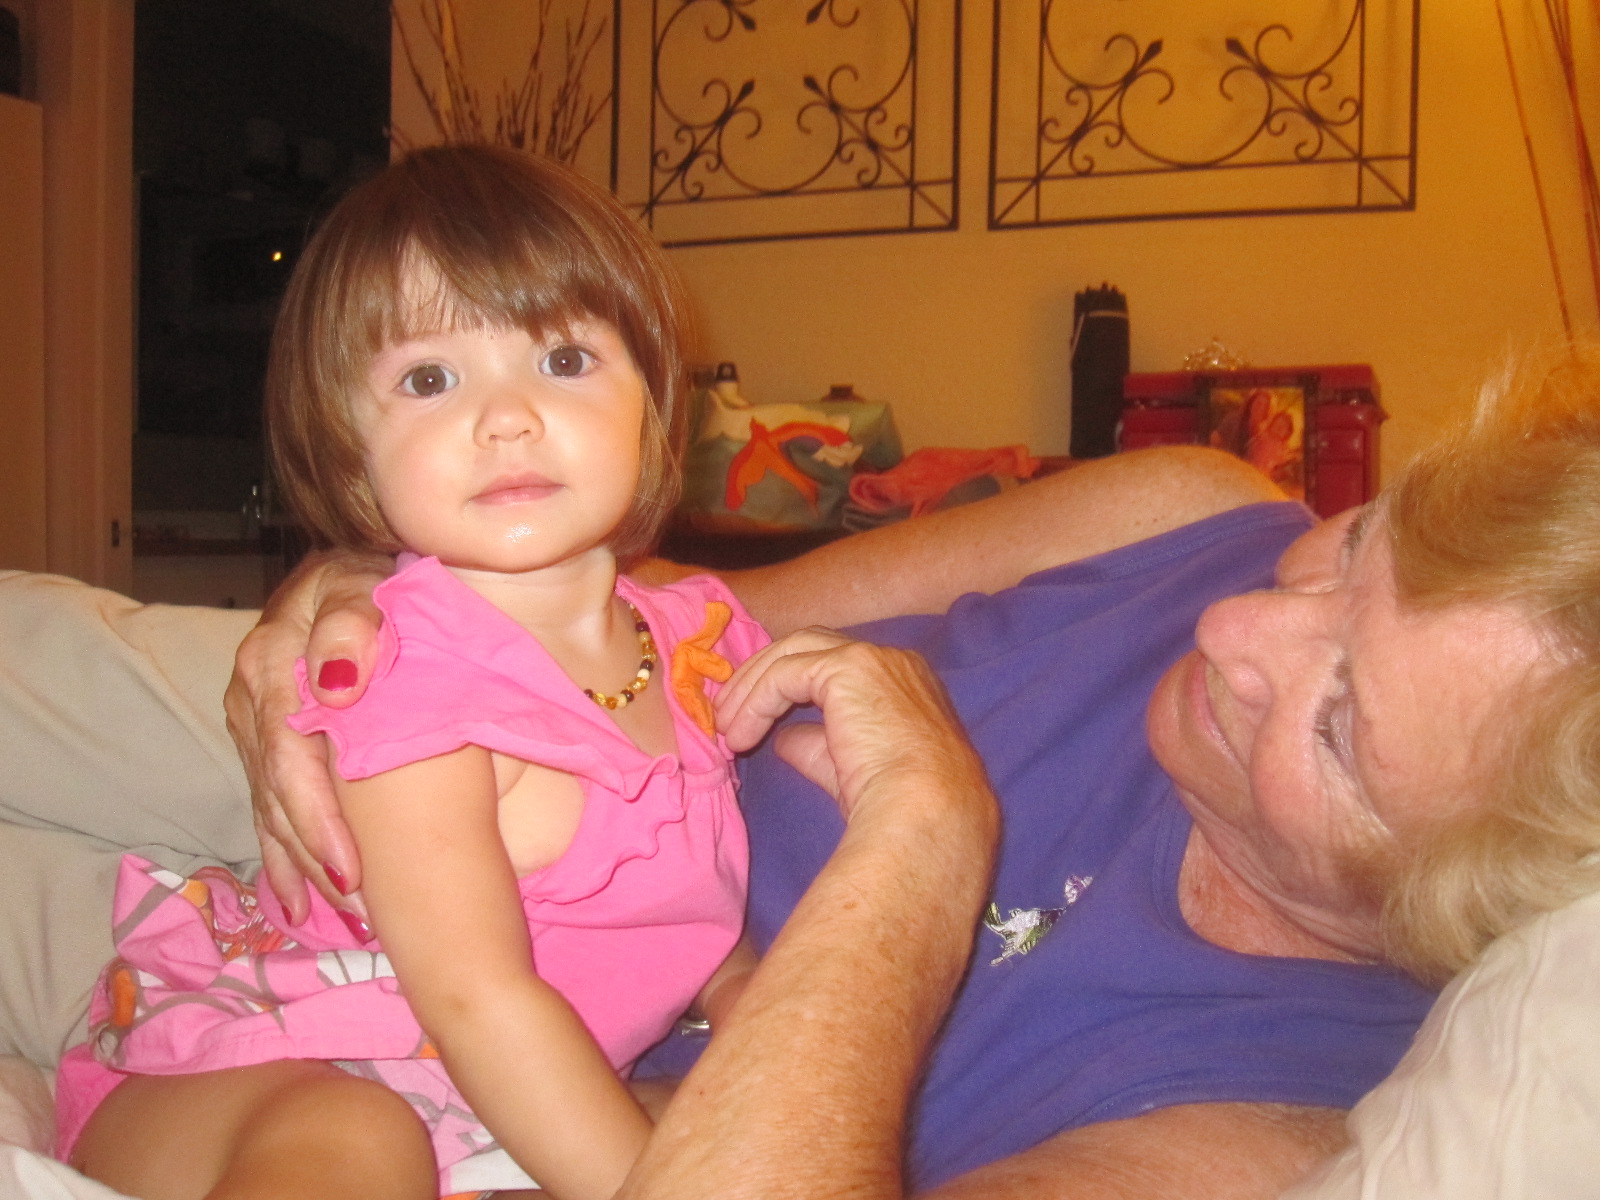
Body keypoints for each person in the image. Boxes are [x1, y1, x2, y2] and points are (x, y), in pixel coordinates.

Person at [4, 351, 1599, 1198]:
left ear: (1440, 899)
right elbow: (679, 613)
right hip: (444, 753)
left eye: (1337, 727)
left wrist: (924, 836)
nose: (1240, 623)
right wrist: (358, 586)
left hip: (446, 1063)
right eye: (1354, 548)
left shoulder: (1280, 1118)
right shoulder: (1189, 511)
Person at [54, 144, 771, 1200]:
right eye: (430, 380)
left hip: (499, 1093)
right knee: (355, 1137)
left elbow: (697, 891)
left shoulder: (703, 637)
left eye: (565, 359)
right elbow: (477, 998)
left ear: (652, 404)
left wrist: (750, 998)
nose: (506, 416)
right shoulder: (410, 682)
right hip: (266, 1063)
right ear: (353, 453)